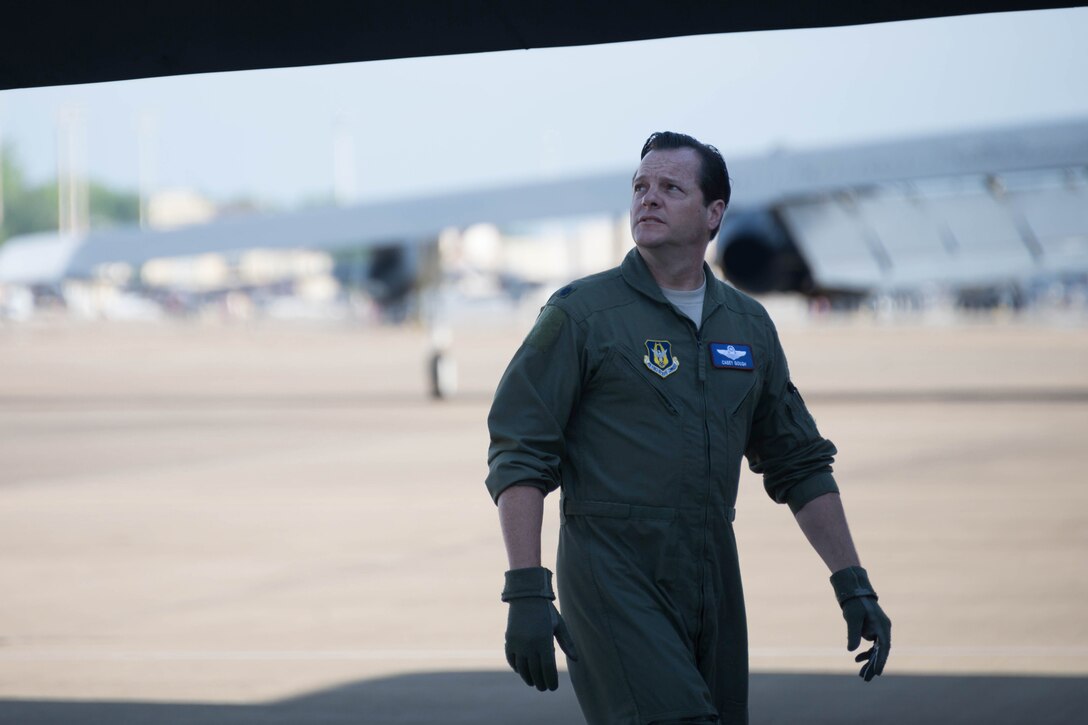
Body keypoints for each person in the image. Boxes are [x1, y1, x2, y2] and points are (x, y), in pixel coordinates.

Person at [486, 131, 891, 725]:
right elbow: (520, 450)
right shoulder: (581, 315)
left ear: (713, 213)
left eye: (670, 188)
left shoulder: (748, 326)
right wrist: (525, 586)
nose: (648, 199)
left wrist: (852, 581)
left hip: (711, 570)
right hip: (611, 567)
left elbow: (799, 461)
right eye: (640, 187)